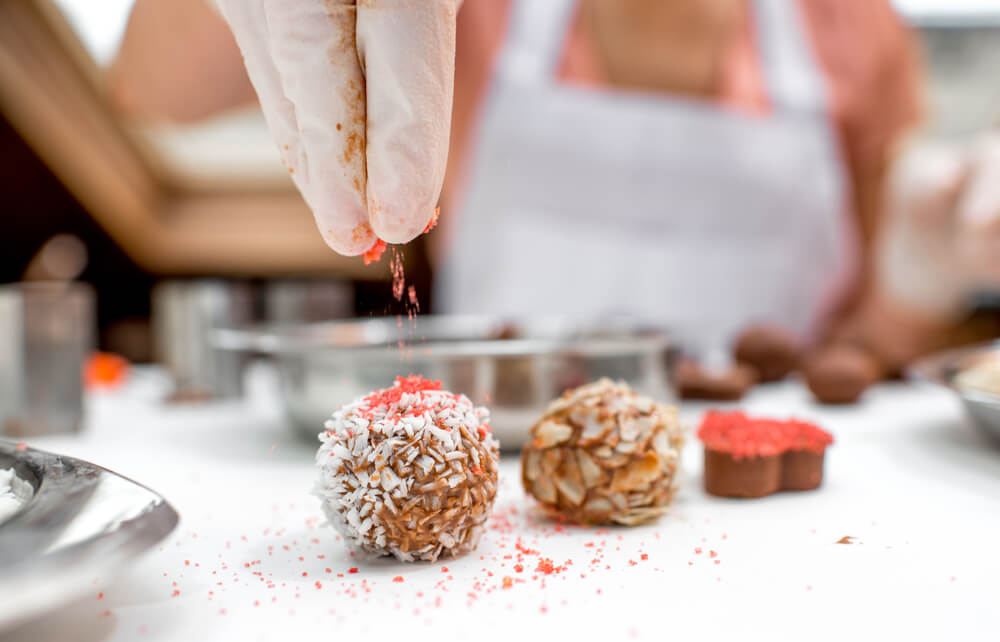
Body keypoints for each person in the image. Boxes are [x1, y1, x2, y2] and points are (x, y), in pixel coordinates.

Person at [109, 0, 1000, 395]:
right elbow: (147, 92)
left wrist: (922, 279)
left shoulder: (850, 21)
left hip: (763, 531)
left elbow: (871, 348)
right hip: (499, 509)